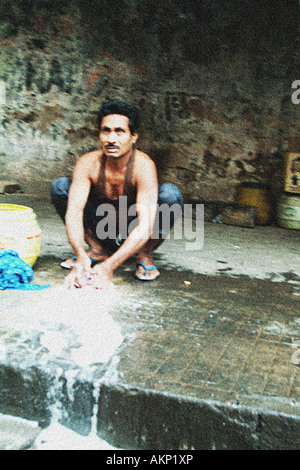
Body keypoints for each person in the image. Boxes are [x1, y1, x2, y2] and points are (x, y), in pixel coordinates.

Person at [51, 99, 183, 289]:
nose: (111, 139)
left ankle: (144, 255)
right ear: (99, 134)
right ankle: (96, 250)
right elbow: (74, 213)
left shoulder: (143, 166)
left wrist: (109, 267)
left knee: (170, 194)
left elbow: (145, 226)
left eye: (119, 131)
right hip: (101, 228)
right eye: (106, 130)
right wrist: (80, 255)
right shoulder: (88, 163)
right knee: (60, 186)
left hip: (134, 231)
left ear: (134, 136)